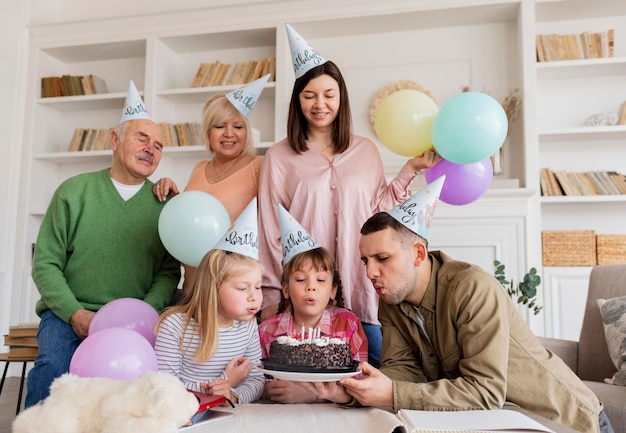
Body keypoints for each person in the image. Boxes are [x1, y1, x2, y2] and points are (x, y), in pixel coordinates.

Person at [312, 177, 614, 433]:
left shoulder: (471, 288)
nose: (369, 272)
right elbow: (403, 370)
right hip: (500, 421)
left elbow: (486, 391)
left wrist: (393, 393)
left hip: (565, 422)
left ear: (418, 253)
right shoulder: (391, 300)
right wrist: (354, 391)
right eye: (365, 261)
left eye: (382, 259)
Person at [257, 24, 439, 368]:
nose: (319, 104)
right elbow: (269, 232)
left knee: (377, 377)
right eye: (309, 95)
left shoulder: (365, 150)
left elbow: (379, 215)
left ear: (342, 97)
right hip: (307, 303)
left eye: (329, 94)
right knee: (309, 389)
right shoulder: (279, 158)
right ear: (297, 100)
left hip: (362, 290)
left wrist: (410, 169)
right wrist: (270, 299)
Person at [26, 81, 181, 408]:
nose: (150, 148)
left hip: (134, 320)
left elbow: (168, 272)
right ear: (115, 139)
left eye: (159, 145)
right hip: (68, 313)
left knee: (136, 389)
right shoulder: (73, 192)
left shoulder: (164, 205)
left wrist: (146, 313)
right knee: (53, 369)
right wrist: (75, 313)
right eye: (142, 138)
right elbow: (45, 264)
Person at [153, 74, 269, 293]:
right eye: (219, 126)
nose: (229, 134)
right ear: (208, 131)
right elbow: (189, 220)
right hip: (193, 286)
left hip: (234, 288)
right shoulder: (199, 167)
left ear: (247, 132)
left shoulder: (260, 166)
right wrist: (169, 190)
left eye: (238, 126)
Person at [154, 198, 265, 404]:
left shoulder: (248, 326)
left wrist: (232, 395)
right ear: (213, 287)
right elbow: (164, 386)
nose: (254, 296)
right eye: (243, 288)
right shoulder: (175, 326)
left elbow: (257, 380)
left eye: (258, 287)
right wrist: (225, 382)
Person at [258, 205, 368, 403]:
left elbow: (361, 379)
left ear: (333, 289)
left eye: (321, 280)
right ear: (285, 289)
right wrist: (268, 390)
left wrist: (313, 395)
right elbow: (256, 379)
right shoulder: (267, 330)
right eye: (301, 280)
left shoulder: (348, 325)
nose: (311, 287)